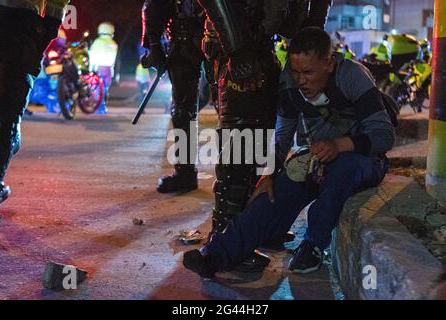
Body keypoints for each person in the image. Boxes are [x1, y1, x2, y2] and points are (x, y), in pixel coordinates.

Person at [182, 27, 395, 278]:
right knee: (271, 195)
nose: (301, 80)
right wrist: (269, 174)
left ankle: (313, 245)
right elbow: (282, 138)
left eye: (308, 72)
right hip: (315, 161)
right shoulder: (290, 84)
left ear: (329, 62)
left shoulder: (352, 76)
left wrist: (339, 145)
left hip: (362, 161)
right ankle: (215, 256)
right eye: (296, 72)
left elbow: (384, 136)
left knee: (342, 168)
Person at [197, 0, 332, 272]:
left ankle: (255, 227)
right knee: (241, 140)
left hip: (258, 45)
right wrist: (236, 48)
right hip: (235, 47)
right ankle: (225, 236)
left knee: (263, 141)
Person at [0, 0, 70, 235]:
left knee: (6, 119)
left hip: (21, 26)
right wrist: (49, 25)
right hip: (22, 27)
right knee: (6, 119)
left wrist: (48, 27)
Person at [141, 0, 206, 193]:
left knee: (234, 110)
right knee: (182, 112)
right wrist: (153, 45)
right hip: (185, 40)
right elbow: (153, 7)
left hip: (221, 39)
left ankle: (238, 177)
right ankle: (185, 173)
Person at [89, 22, 119, 114]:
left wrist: (90, 68)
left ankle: (99, 107)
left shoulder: (98, 42)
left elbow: (92, 55)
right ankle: (103, 107)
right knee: (105, 89)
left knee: (96, 89)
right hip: (109, 69)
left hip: (98, 68)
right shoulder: (113, 44)